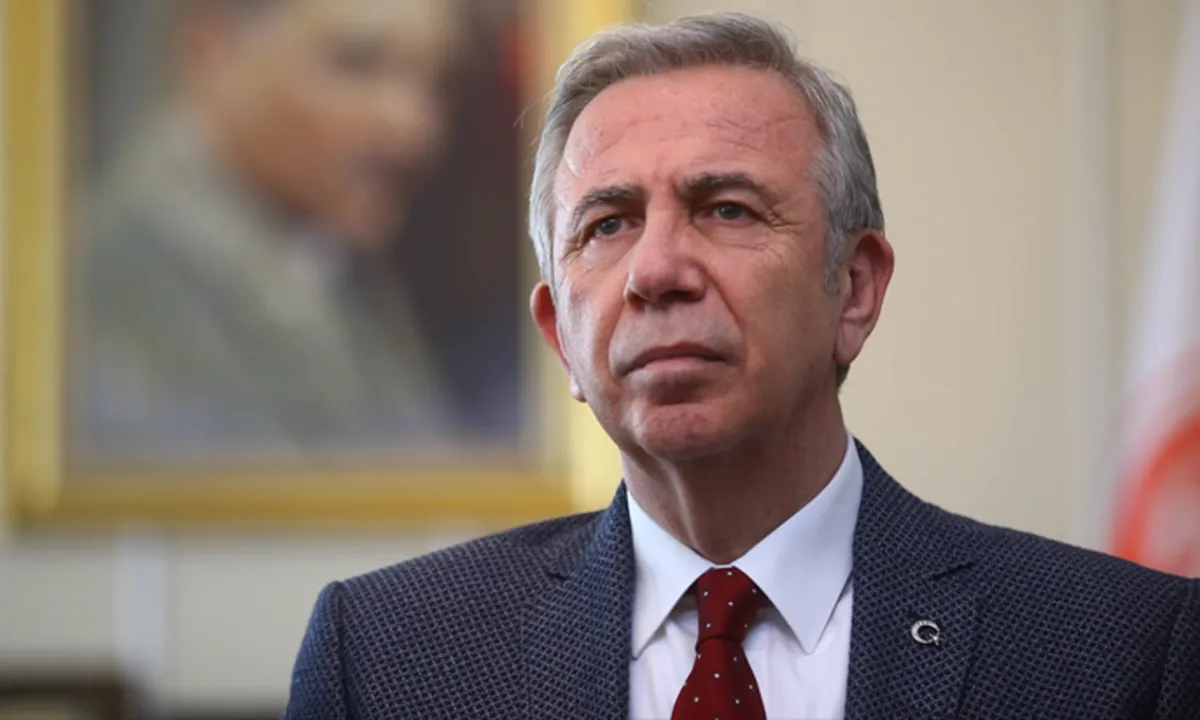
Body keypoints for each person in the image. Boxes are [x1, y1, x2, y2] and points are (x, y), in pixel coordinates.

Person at [284, 12, 1200, 719]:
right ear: (561, 335)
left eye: (726, 209)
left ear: (854, 288)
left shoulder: (1120, 653)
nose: (656, 271)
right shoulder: (388, 659)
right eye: (608, 224)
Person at [76, 0, 461, 459]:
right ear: (212, 51)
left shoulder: (337, 265)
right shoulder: (109, 284)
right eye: (358, 64)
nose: (413, 126)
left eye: (435, 83)